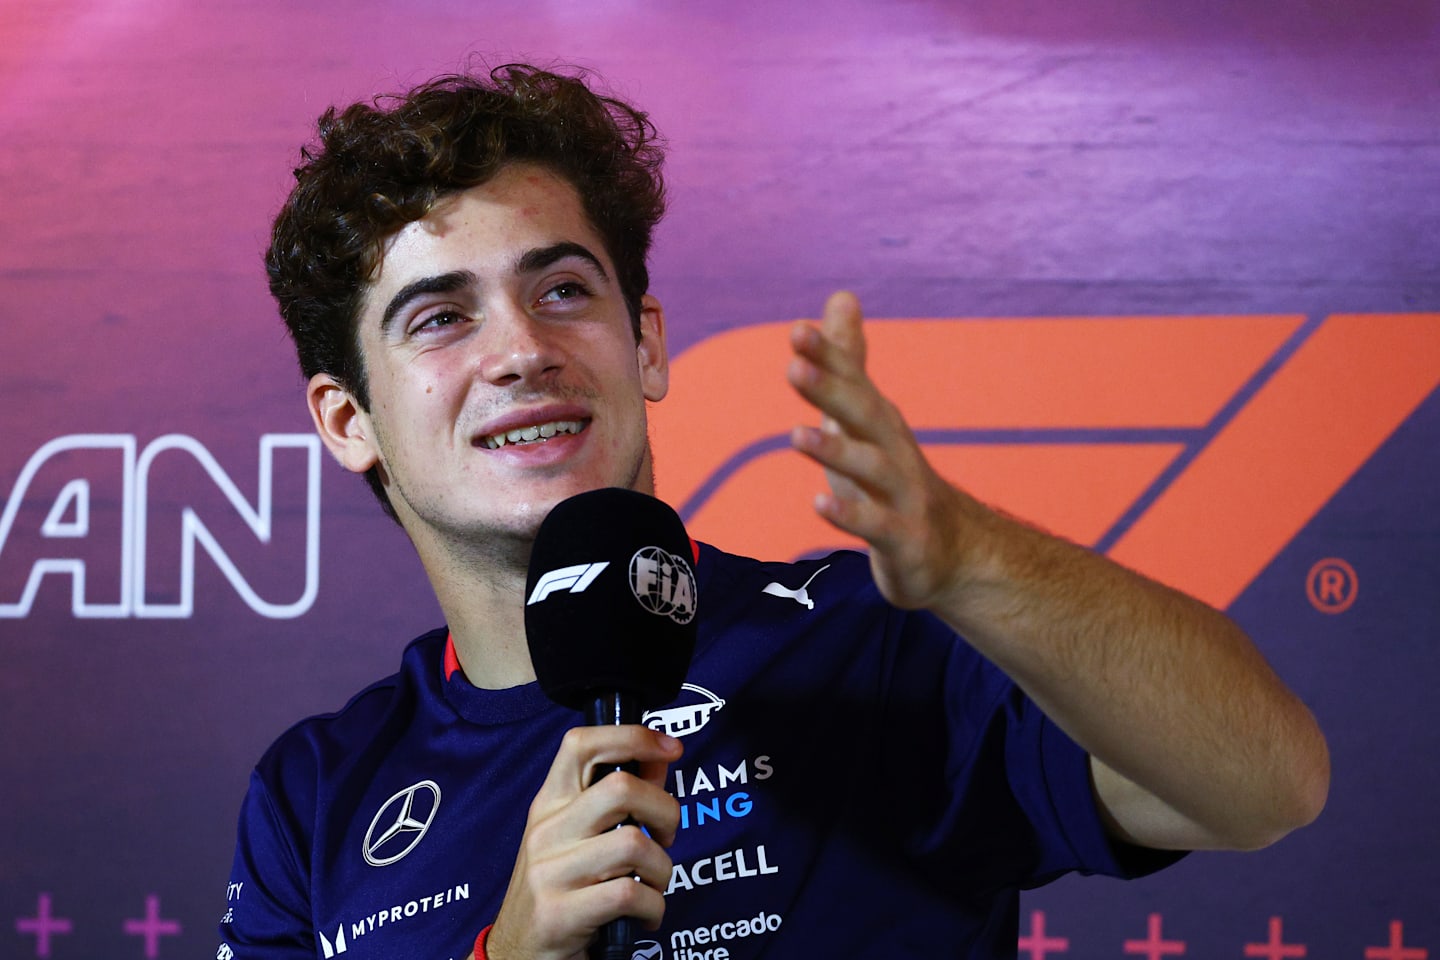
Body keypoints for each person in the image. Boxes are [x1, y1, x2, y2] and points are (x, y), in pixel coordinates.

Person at [218, 63, 1329, 960]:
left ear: (644, 343)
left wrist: (969, 562)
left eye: (563, 290)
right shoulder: (315, 798)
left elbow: (1268, 785)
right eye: (440, 318)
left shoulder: (865, 643)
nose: (522, 350)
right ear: (345, 418)